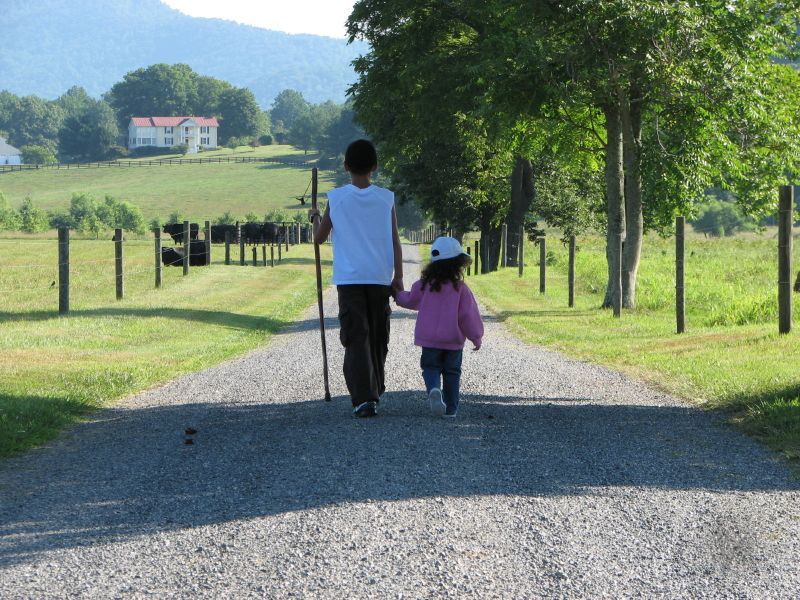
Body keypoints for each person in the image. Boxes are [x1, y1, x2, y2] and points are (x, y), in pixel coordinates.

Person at [310, 139, 404, 418]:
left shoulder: (336, 198)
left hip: (350, 279)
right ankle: (375, 388)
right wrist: (398, 276)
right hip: (379, 276)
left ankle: (364, 396)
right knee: (377, 334)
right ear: (374, 166)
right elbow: (395, 240)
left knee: (356, 334)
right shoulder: (386, 198)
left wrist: (314, 217)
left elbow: (319, 238)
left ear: (346, 166)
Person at [393, 237, 483, 418]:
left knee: (430, 367)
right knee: (452, 372)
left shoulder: (425, 285)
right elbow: (468, 315)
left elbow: (409, 299)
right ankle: (451, 408)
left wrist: (396, 294)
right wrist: (476, 336)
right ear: (458, 265)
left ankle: (434, 389)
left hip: (429, 339)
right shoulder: (461, 289)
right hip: (453, 340)